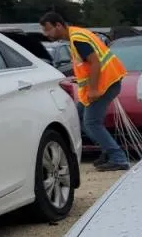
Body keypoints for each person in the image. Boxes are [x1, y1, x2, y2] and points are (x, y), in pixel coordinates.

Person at [39, 12, 130, 172]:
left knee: (91, 123)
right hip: (105, 82)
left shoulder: (77, 38)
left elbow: (95, 63)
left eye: (48, 29)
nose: (46, 34)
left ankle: (118, 158)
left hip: (104, 84)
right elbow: (87, 65)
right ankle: (107, 151)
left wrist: (94, 89)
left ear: (58, 25)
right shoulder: (77, 34)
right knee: (78, 116)